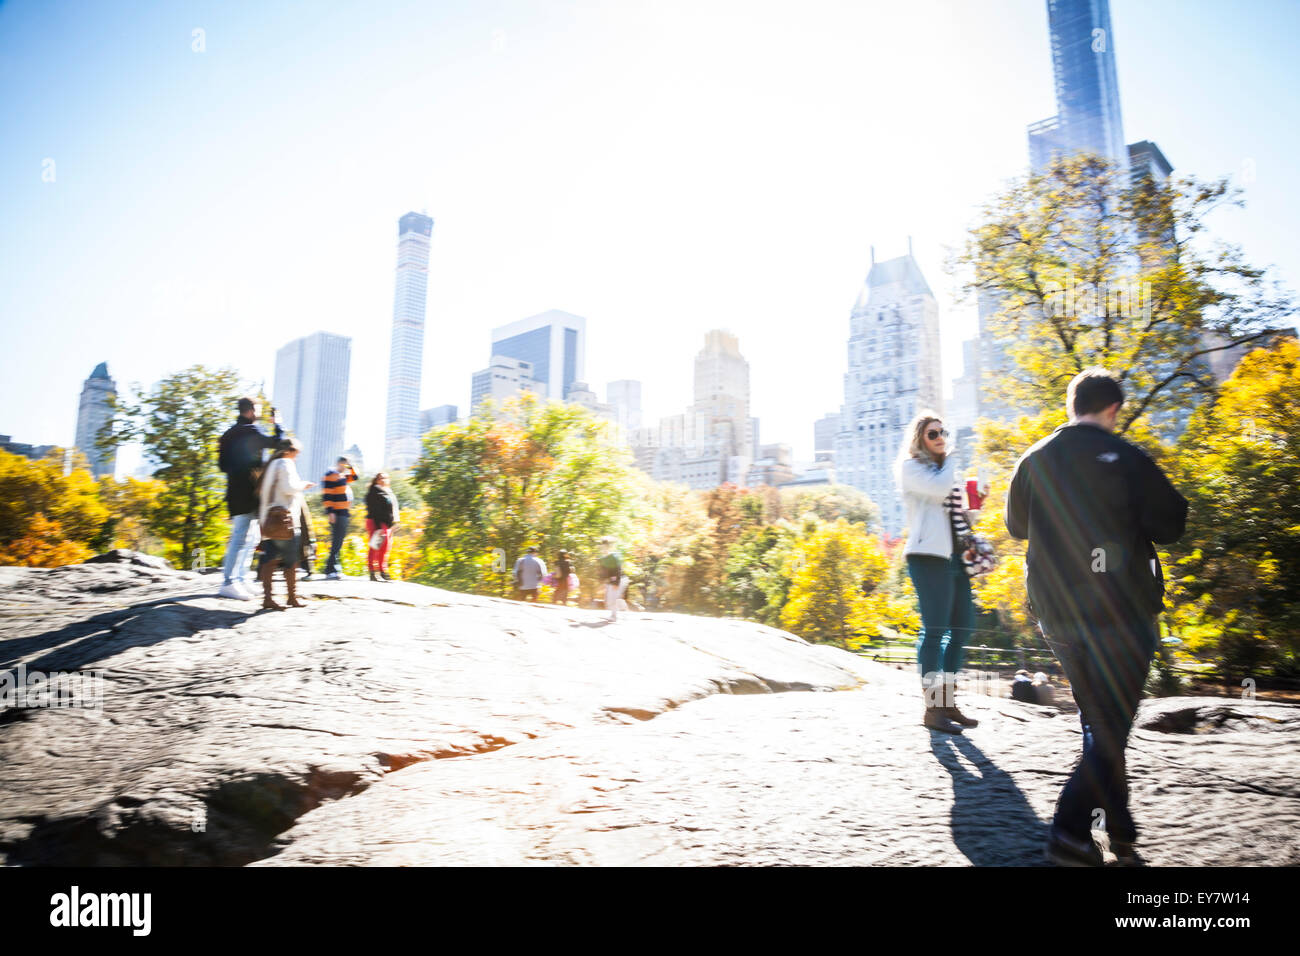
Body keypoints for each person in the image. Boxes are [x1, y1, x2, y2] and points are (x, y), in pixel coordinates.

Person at [1006, 367, 1187, 867]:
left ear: (1071, 405)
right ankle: (1069, 830)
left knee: (1101, 723)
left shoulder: (1034, 459)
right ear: (1112, 410)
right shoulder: (1128, 458)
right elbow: (1172, 523)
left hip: (1058, 615)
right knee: (1112, 725)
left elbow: (1016, 526)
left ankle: (1120, 825)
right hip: (1121, 612)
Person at [894, 412, 979, 735]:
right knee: (935, 631)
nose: (940, 437)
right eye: (933, 433)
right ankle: (933, 709)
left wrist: (974, 503)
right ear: (920, 439)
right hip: (927, 556)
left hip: (955, 557)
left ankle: (947, 702)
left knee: (961, 629)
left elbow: (957, 511)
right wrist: (952, 460)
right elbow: (941, 490)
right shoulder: (911, 467)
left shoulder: (944, 470)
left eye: (942, 431)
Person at [216, 398, 283, 600]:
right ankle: (229, 582)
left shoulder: (228, 434)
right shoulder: (250, 431)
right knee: (241, 536)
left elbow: (222, 465)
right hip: (247, 492)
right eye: (258, 409)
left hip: (236, 491)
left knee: (251, 536)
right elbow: (278, 443)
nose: (260, 413)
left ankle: (240, 578)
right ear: (251, 411)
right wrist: (277, 423)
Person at [256, 437, 315, 611]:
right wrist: (304, 485)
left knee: (269, 560)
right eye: (297, 452)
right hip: (285, 520)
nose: (297, 456)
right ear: (289, 451)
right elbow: (289, 487)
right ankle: (292, 597)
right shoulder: (285, 463)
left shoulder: (271, 465)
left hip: (268, 520)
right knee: (291, 560)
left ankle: (268, 598)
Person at [320, 457, 359, 580]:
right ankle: (331, 569)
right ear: (339, 463)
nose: (346, 466)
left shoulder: (342, 476)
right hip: (337, 512)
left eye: (347, 464)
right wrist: (330, 512)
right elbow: (327, 494)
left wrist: (350, 466)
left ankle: (333, 568)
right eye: (344, 464)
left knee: (339, 541)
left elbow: (355, 476)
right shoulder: (331, 475)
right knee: (337, 541)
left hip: (344, 512)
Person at [364, 473, 399, 582]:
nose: (383, 480)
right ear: (376, 480)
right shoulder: (374, 492)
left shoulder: (388, 491)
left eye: (385, 478)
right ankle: (372, 572)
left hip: (386, 524)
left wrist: (394, 523)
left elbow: (393, 509)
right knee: (375, 547)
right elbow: (375, 510)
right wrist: (379, 527)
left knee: (385, 548)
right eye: (380, 478)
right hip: (377, 522)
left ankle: (382, 571)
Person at [597, 536, 623, 622]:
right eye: (602, 547)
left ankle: (614, 616)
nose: (603, 549)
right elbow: (603, 572)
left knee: (612, 599)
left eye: (605, 547)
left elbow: (618, 569)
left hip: (616, 579)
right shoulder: (603, 558)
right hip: (609, 581)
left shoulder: (613, 557)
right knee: (608, 600)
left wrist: (616, 582)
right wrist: (602, 583)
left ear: (608, 547)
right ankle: (616, 611)